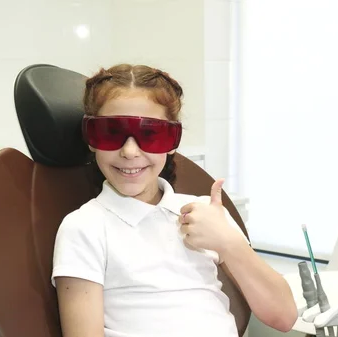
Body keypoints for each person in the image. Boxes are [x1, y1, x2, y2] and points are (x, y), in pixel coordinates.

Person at [51, 64, 298, 337]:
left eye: (150, 135)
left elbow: (283, 316)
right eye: (111, 133)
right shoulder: (85, 227)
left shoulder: (206, 213)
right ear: (91, 138)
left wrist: (228, 242)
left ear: (172, 141)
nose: (130, 151)